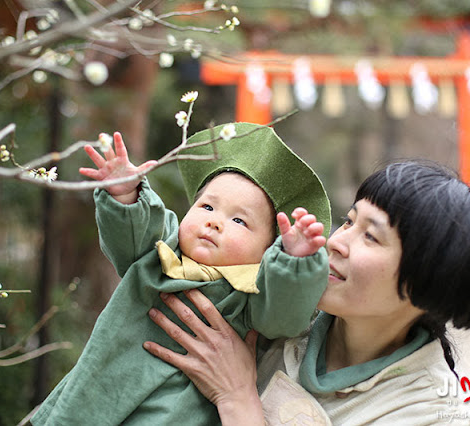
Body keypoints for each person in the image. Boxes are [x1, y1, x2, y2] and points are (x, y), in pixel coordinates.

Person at [143, 160, 470, 425]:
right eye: (349, 221)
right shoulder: (280, 307)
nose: (336, 242)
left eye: (370, 236)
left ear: (428, 282)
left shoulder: (431, 412)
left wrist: (237, 397)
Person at [31, 123, 332, 425]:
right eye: (207, 206)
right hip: (98, 398)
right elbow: (133, 229)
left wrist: (294, 263)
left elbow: (285, 315)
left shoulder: (252, 295)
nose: (215, 222)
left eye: (239, 220)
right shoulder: (156, 254)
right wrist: (125, 195)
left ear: (268, 251)